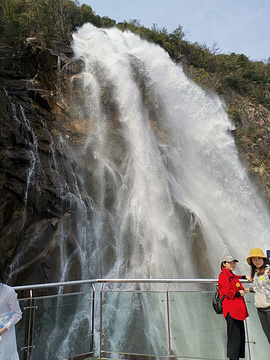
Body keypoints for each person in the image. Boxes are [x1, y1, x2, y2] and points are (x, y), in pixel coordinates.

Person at [218, 254, 249, 360]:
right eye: (230, 262)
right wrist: (238, 293)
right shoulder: (223, 275)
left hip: (237, 311)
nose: (233, 264)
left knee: (239, 338)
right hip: (231, 311)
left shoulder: (230, 275)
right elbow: (227, 291)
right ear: (224, 264)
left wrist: (245, 277)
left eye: (234, 262)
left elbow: (236, 277)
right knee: (234, 339)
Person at [245, 247, 270, 343]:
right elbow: (260, 288)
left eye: (259, 258)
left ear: (263, 259)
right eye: (254, 259)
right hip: (260, 309)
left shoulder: (268, 271)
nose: (257, 261)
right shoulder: (255, 273)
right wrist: (248, 289)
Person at [0, 268, 22, 360]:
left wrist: (3, 329)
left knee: (5, 355)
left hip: (5, 330)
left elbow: (17, 314)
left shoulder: (9, 292)